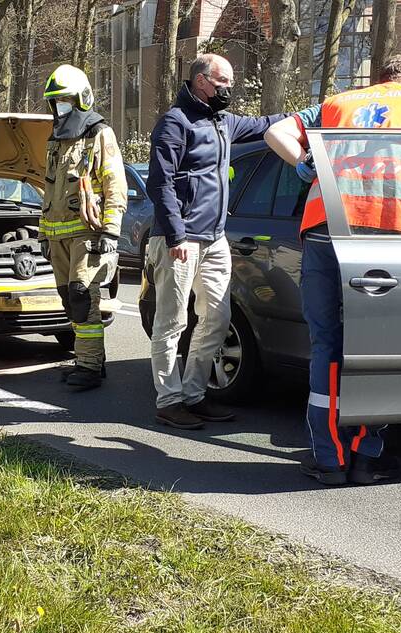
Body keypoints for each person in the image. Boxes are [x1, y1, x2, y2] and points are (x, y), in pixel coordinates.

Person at [265, 52, 401, 486]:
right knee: (376, 348)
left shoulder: (338, 103)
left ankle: (329, 460)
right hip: (386, 232)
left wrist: (305, 164)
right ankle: (365, 455)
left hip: (325, 230)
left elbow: (275, 131)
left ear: (380, 78)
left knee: (327, 346)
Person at [145, 54, 287, 430]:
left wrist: (320, 112)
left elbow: (267, 124)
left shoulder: (224, 122)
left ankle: (194, 394)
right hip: (180, 240)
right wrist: (176, 234)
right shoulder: (175, 123)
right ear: (201, 81)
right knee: (172, 322)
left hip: (214, 238)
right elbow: (159, 184)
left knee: (217, 317)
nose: (229, 88)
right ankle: (169, 400)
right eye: (223, 82)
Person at [39, 64, 128, 390]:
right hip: (57, 233)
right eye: (55, 101)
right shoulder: (56, 139)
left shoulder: (98, 134)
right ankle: (87, 359)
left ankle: (90, 367)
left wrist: (110, 230)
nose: (59, 107)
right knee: (68, 299)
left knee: (82, 295)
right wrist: (42, 234)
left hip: (87, 232)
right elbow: (49, 189)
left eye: (64, 100)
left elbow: (114, 183)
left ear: (82, 99)